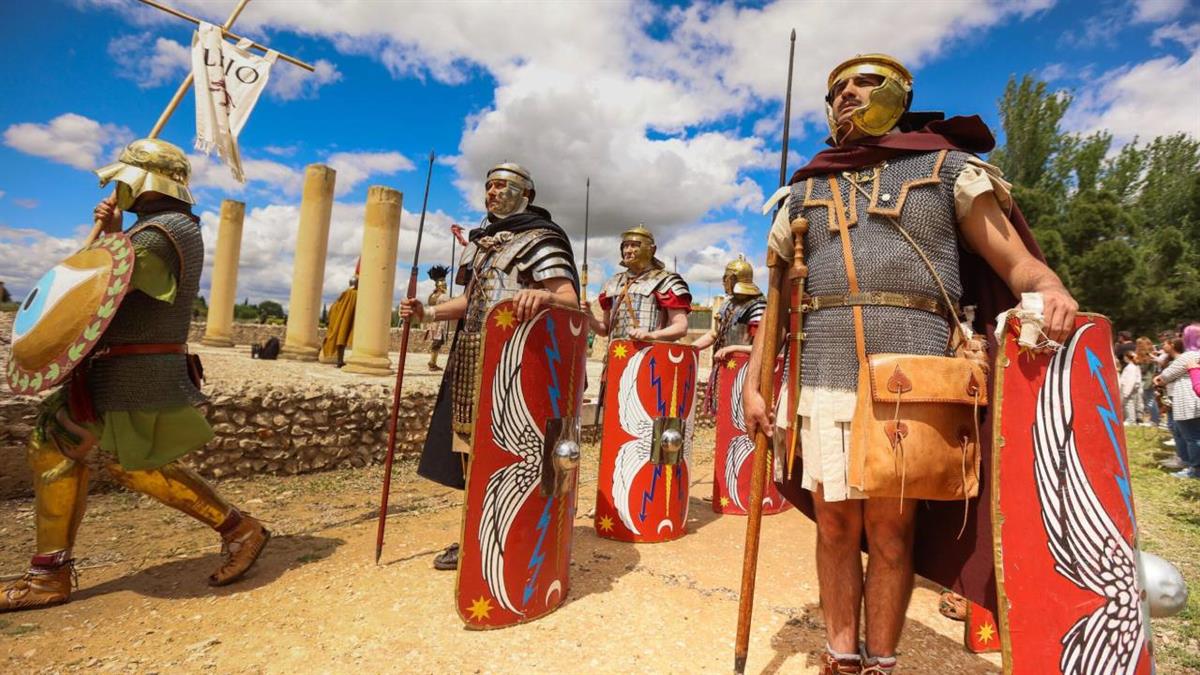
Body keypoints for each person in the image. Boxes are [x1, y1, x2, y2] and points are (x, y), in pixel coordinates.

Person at [744, 54, 1077, 674]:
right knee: (835, 525)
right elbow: (780, 305)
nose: (847, 95)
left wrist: (1049, 287)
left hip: (912, 374)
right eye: (836, 88)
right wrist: (755, 381)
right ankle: (842, 656)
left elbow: (1015, 262)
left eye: (862, 83)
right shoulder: (805, 190)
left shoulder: (948, 171)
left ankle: (883, 660)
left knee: (892, 530)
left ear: (900, 91)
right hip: (827, 372)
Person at [1, 138, 269, 612]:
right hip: (114, 371)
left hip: (137, 370)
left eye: (124, 177)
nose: (117, 185)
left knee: (133, 463)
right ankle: (49, 572)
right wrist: (109, 235)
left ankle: (239, 529)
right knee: (55, 444)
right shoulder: (152, 230)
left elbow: (99, 291)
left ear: (142, 181)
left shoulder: (161, 233)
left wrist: (106, 237)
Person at [398, 162, 579, 570]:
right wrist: (429, 313)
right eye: (489, 186)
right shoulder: (479, 245)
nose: (492, 192)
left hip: (519, 363)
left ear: (526, 194)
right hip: (472, 358)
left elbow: (570, 301)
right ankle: (473, 533)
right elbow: (472, 302)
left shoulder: (542, 240)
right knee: (471, 450)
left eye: (502, 186)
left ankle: (519, 533)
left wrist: (544, 298)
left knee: (515, 453)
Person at [585, 224, 691, 342]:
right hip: (618, 355)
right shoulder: (613, 283)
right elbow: (605, 330)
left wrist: (652, 335)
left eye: (634, 245)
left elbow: (681, 327)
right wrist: (589, 316)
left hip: (651, 355)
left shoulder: (665, 281)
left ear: (651, 249)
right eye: (625, 246)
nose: (628, 250)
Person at [692, 255, 764, 414]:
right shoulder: (728, 304)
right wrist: (691, 348)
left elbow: (762, 346)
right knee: (723, 414)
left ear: (733, 279)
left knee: (738, 414)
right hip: (724, 368)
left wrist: (732, 348)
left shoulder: (757, 306)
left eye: (725, 277)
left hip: (745, 372)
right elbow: (715, 334)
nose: (723, 281)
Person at [1155, 326, 1200, 479]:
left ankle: (1195, 469)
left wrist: (1160, 379)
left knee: (1192, 437)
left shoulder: (1189, 356)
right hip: (1194, 400)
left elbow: (1164, 377)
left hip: (1189, 401)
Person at [321, 265, 358, 368]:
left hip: (340, 320)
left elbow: (335, 306)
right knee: (342, 339)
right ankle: (340, 361)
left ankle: (339, 360)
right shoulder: (353, 294)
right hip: (347, 320)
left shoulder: (345, 293)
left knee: (340, 339)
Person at [424, 265, 450, 371]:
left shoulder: (432, 295)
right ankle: (432, 363)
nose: (444, 283)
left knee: (437, 343)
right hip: (439, 323)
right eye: (443, 282)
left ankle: (433, 362)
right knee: (437, 343)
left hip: (434, 322)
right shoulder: (442, 296)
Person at [1120, 350, 1141, 425]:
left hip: (1128, 389)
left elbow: (1130, 381)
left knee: (1129, 404)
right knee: (1130, 404)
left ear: (1126, 358)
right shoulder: (1134, 366)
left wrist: (1126, 392)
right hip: (1131, 389)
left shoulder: (1130, 368)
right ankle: (1130, 419)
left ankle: (1131, 420)